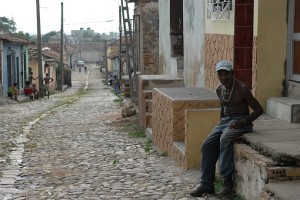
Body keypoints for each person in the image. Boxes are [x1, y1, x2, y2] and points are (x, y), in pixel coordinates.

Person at [190, 60, 263, 197]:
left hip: (241, 121)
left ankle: (226, 182)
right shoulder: (219, 89)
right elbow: (223, 110)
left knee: (225, 138)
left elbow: (259, 109)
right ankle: (206, 184)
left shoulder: (241, 88)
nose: (223, 77)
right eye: (220, 74)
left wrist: (243, 121)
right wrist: (220, 126)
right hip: (226, 121)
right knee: (207, 145)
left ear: (232, 73)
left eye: (226, 74)